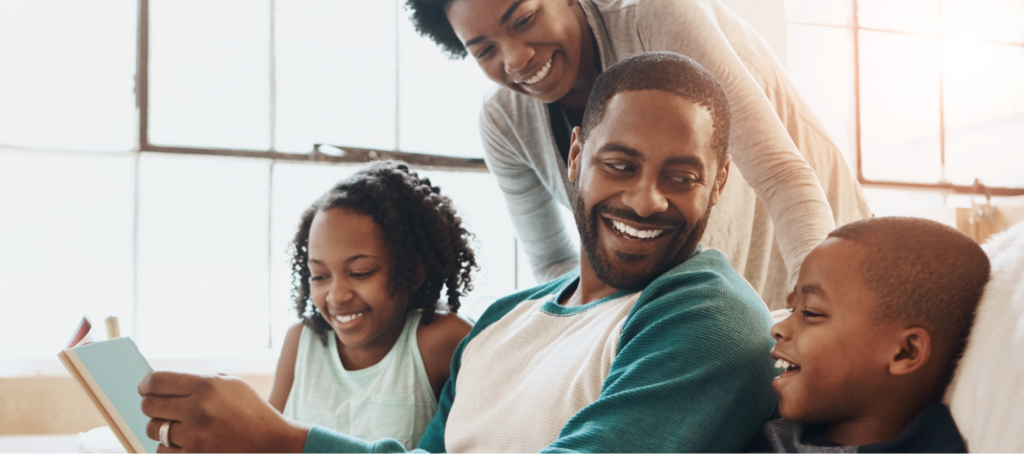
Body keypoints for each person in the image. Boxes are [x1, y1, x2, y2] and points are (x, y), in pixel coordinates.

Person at [139, 52, 778, 454]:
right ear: (577, 155)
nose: (646, 201)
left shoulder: (705, 311)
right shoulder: (503, 320)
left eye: (682, 177)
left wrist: (284, 444)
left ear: (718, 182)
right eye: (620, 164)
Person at [403, 0, 872, 308]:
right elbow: (553, 263)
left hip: (816, 254)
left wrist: (813, 307)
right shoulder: (504, 122)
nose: (516, 58)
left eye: (524, 19)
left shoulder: (656, 13)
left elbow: (780, 175)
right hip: (698, 309)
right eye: (484, 50)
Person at [267, 162, 476, 449]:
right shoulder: (300, 342)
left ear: (413, 272)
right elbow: (265, 440)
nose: (337, 295)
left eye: (361, 272)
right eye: (320, 276)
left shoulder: (440, 342)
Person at [749, 217, 990, 453]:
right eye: (792, 309)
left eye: (810, 312)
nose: (777, 328)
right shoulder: (773, 430)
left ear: (905, 352)